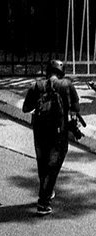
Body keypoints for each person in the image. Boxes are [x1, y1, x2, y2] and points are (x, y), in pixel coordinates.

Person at [21, 57, 83, 214]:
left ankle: (47, 191)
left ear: (47, 71)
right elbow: (76, 107)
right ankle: (43, 202)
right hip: (58, 132)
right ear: (62, 72)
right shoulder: (67, 85)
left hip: (39, 130)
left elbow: (26, 108)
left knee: (43, 163)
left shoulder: (37, 85)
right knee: (53, 166)